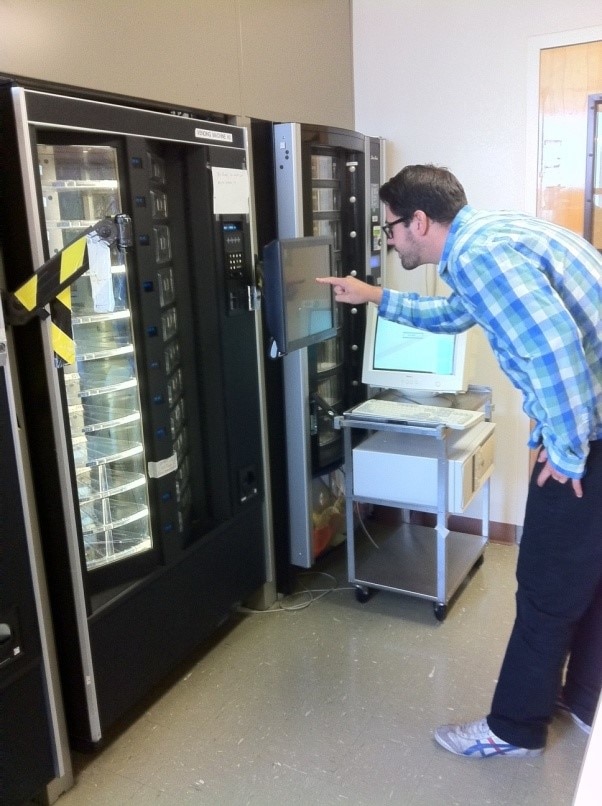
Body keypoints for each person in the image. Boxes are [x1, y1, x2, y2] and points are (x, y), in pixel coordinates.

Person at [317, 164, 602, 758]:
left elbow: (555, 351)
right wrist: (373, 297)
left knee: (546, 580)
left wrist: (568, 451)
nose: (389, 240)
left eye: (390, 227)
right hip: (591, 420)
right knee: (586, 570)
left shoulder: (479, 257)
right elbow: (452, 316)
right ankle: (580, 699)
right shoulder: (488, 236)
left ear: (419, 220)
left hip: (589, 431)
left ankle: (514, 729)